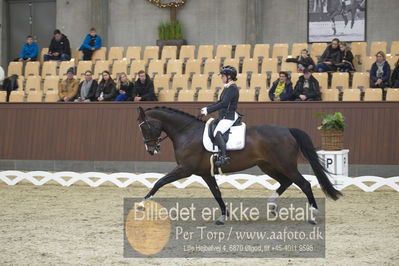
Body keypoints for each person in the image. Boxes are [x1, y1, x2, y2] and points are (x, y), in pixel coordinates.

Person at [200, 66, 240, 168]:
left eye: (223, 75)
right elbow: (219, 102)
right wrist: (207, 109)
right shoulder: (227, 87)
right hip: (224, 116)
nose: (221, 77)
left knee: (217, 132)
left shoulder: (232, 88)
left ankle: (224, 156)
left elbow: (224, 104)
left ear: (229, 76)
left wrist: (208, 110)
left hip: (228, 116)